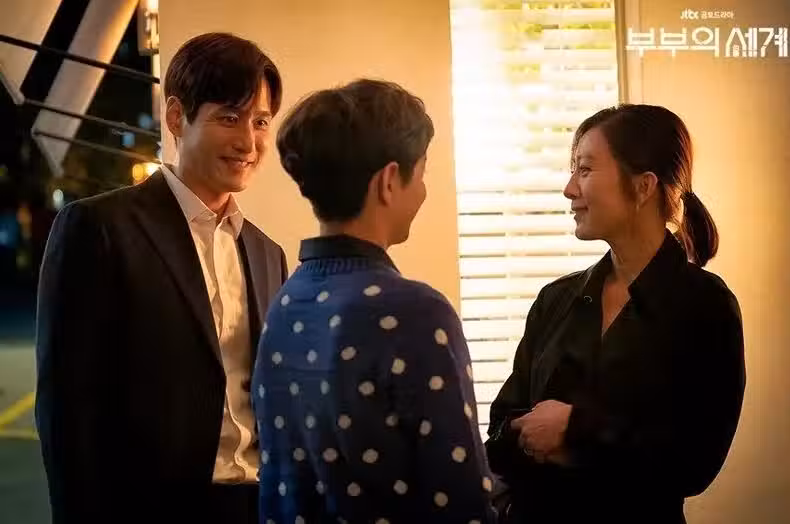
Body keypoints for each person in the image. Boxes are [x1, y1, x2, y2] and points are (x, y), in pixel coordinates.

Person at [35, 32, 286, 523]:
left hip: (257, 505)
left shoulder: (267, 253)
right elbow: (67, 411)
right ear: (176, 117)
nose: (248, 142)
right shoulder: (98, 228)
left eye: (260, 122)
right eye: (229, 117)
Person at [485, 104, 746, 524]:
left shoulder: (705, 306)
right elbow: (500, 431)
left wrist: (574, 431)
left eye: (585, 170)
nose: (569, 189)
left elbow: (694, 462)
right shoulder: (555, 299)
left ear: (643, 187)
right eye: (573, 170)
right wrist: (536, 436)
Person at [251, 79, 497, 524]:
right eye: (421, 173)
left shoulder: (285, 302)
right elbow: (459, 500)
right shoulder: (417, 313)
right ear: (388, 181)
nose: (423, 191)